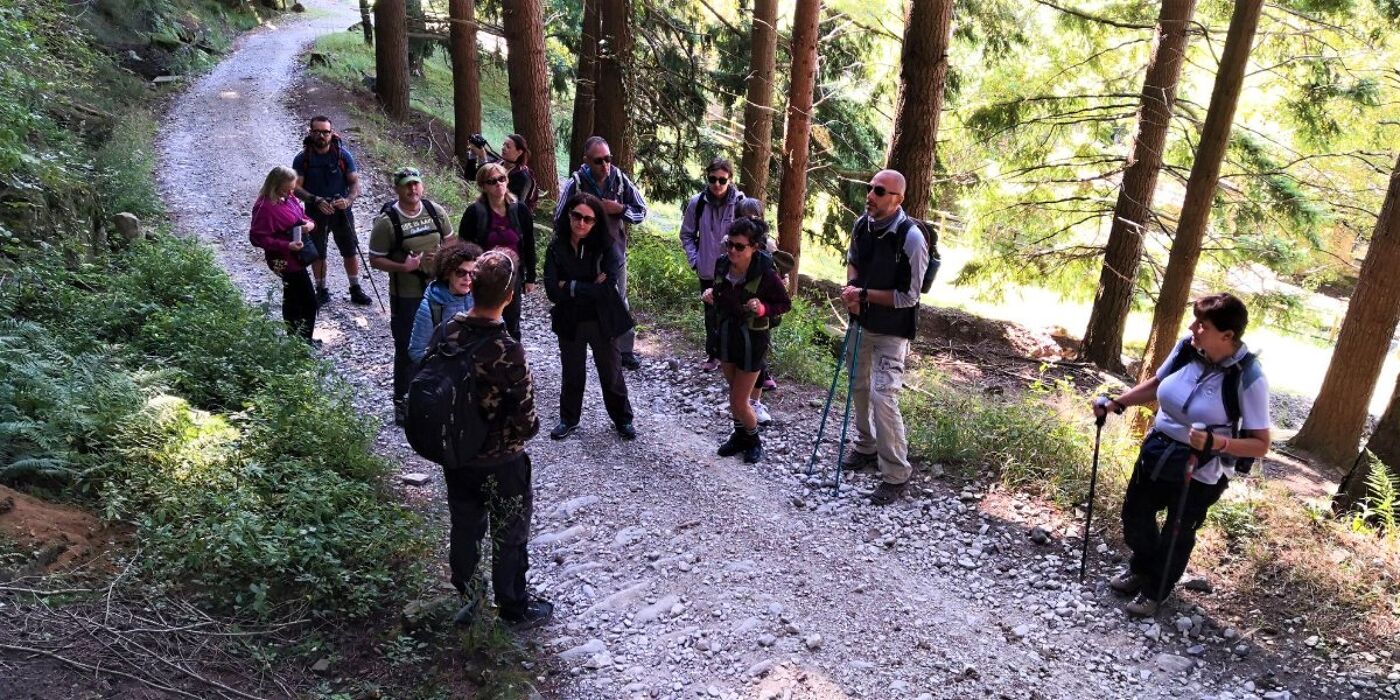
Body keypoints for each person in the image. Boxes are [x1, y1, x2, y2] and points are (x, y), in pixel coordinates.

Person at [1092, 293, 1270, 616]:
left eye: (1202, 324)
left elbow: (1261, 444)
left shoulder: (1249, 377)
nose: (1193, 327)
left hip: (1202, 468)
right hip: (1158, 448)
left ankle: (1155, 589)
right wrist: (1117, 402)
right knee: (1135, 515)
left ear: (1227, 336)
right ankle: (1142, 567)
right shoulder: (1188, 348)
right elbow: (1157, 384)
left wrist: (1217, 442)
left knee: (1178, 530)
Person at [429, 249, 553, 629]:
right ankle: (513, 608)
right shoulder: (508, 350)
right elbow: (527, 422)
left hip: (458, 457)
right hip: (503, 462)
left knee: (465, 527)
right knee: (510, 535)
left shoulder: (447, 331)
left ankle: (468, 595)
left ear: (472, 288)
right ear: (509, 296)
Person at [839, 169, 929, 506]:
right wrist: (852, 290)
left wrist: (862, 294)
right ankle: (865, 445)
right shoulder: (862, 224)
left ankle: (895, 473)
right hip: (860, 322)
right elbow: (853, 262)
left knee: (883, 395)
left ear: (898, 199)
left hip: (893, 331)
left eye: (879, 191)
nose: (871, 195)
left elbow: (909, 297)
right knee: (858, 386)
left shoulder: (912, 238)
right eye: (870, 188)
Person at [543, 193, 637, 441]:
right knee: (572, 372)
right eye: (577, 216)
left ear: (596, 222)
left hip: (601, 319)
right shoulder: (556, 246)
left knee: (611, 372)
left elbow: (607, 288)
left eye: (588, 219)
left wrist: (570, 286)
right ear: (569, 215)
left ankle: (623, 419)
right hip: (569, 319)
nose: (581, 223)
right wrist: (587, 286)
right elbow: (552, 290)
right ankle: (568, 419)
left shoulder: (606, 246)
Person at [369, 167, 455, 425]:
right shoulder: (388, 222)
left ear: (422, 186)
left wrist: (443, 264)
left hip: (438, 291)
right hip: (406, 295)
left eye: (416, 184)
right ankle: (402, 401)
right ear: (397, 188)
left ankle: (435, 398)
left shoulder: (435, 211)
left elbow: (450, 242)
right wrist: (403, 268)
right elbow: (375, 259)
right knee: (408, 348)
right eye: (407, 185)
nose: (412, 189)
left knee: (443, 345)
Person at [554, 137, 648, 370]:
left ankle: (624, 350)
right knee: (580, 296)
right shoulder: (576, 183)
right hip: (582, 256)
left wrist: (621, 209)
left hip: (614, 254)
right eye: (599, 161)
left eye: (608, 158)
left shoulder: (619, 180)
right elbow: (558, 217)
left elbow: (641, 211)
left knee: (619, 299)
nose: (605, 164)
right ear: (587, 160)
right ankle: (578, 343)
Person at [703, 218, 790, 463]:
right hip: (728, 336)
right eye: (730, 244)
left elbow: (784, 304)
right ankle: (740, 436)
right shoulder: (722, 265)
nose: (732, 250)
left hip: (753, 340)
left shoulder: (766, 274)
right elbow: (721, 295)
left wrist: (762, 308)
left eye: (739, 246)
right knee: (734, 394)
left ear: (754, 247)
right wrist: (711, 295)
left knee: (739, 399)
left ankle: (754, 441)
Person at [292, 115, 372, 306]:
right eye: (317, 131)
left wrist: (348, 200)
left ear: (331, 133)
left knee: (350, 250)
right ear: (310, 132)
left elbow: (354, 183)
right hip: (314, 211)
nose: (321, 135)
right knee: (318, 252)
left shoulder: (343, 155)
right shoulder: (302, 159)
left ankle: (355, 288)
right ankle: (321, 289)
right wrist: (315, 199)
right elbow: (296, 188)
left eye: (325, 132)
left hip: (341, 210)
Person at [680, 157, 746, 373]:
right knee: (711, 314)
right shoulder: (697, 203)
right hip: (708, 269)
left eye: (722, 180)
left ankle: (737, 358)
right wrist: (694, 260)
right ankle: (713, 354)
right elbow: (687, 234)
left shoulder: (740, 203)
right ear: (707, 178)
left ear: (730, 179)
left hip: (735, 271)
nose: (717, 184)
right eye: (713, 179)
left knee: (737, 312)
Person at [457, 163, 536, 340]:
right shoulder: (474, 212)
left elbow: (529, 244)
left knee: (512, 322)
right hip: (484, 276)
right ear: (483, 186)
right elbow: (464, 246)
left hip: (512, 275)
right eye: (492, 181)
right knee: (483, 320)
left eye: (502, 179)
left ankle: (512, 358)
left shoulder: (520, 210)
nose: (499, 184)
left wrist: (530, 277)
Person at [250, 166, 318, 344]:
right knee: (309, 301)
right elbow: (257, 238)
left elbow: (302, 217)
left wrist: (309, 225)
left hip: (298, 255)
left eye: (292, 188)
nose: (291, 192)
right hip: (285, 260)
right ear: (275, 185)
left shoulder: (288, 198)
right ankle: (304, 342)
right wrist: (286, 245)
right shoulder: (265, 207)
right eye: (287, 188)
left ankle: (297, 340)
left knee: (293, 298)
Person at [409, 241, 482, 363]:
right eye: (460, 272)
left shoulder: (481, 298)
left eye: (473, 273)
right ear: (448, 273)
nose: (467, 278)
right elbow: (416, 352)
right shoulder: (431, 307)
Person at [465, 133, 540, 208]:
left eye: (508, 147)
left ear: (519, 152)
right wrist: (473, 155)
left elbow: (513, 204)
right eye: (504, 145)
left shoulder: (523, 177)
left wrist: (483, 159)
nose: (503, 148)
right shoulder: (498, 163)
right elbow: (470, 175)